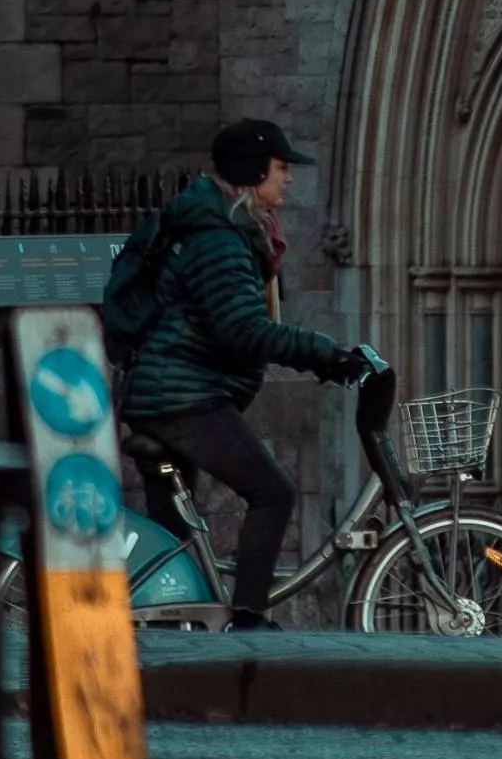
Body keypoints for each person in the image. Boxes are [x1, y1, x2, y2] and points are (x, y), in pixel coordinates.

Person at [108, 114, 380, 630]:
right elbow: (242, 329)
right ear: (254, 172)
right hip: (181, 399)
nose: (289, 178)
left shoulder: (222, 228)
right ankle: (250, 616)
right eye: (281, 167)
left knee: (178, 542)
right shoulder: (220, 239)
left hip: (165, 393)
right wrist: (325, 353)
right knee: (272, 492)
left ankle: (173, 638)